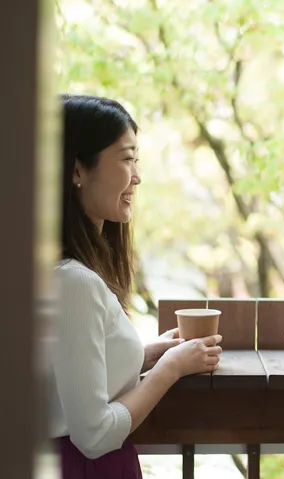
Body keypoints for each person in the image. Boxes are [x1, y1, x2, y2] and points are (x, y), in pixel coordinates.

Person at [47, 94, 223, 478]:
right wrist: (170, 368)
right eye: (127, 159)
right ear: (78, 169)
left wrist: (145, 355)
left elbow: (62, 376)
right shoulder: (73, 282)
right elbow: (93, 435)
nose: (137, 177)